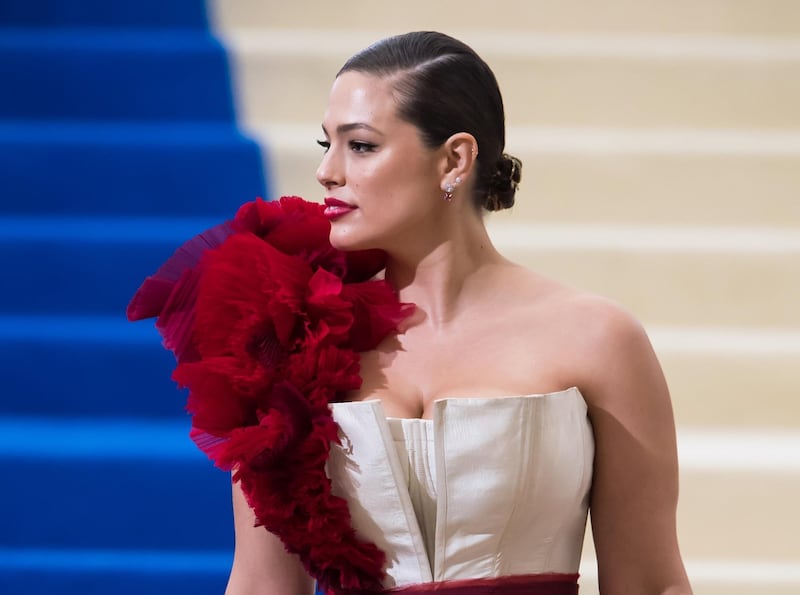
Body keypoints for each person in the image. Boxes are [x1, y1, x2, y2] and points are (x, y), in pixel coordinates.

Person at [225, 31, 693, 595]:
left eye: (361, 145)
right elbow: (261, 584)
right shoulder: (290, 342)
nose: (328, 171)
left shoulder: (597, 338)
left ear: (454, 159)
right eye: (324, 143)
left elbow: (647, 580)